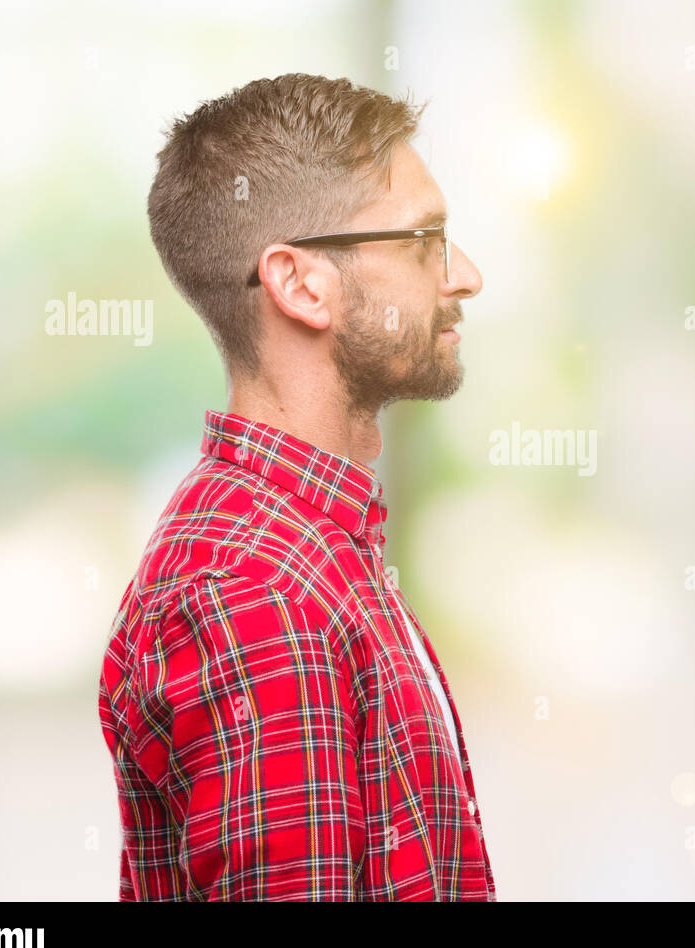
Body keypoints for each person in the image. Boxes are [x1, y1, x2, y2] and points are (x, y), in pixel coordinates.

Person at [97, 73, 493, 900]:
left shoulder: (309, 548)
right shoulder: (260, 590)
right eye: (425, 239)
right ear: (303, 285)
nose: (464, 276)